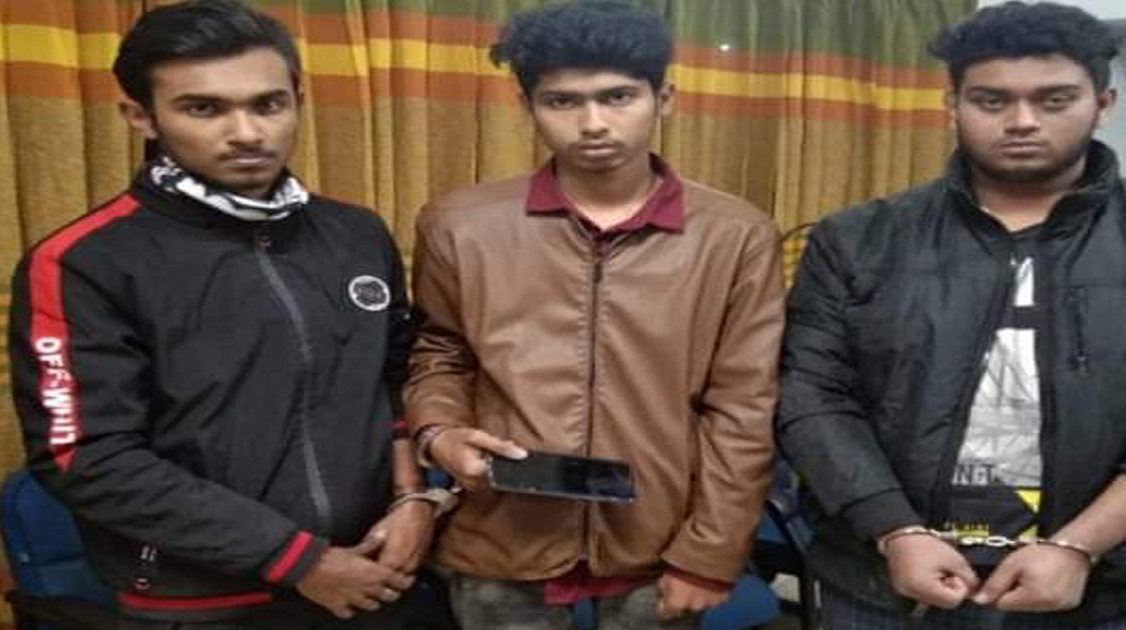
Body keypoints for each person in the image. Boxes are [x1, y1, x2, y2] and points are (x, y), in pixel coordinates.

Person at [8, 1, 447, 627]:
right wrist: (298, 560)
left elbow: (391, 381)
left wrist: (414, 499)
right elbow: (85, 456)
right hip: (203, 602)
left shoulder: (356, 233)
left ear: (298, 99)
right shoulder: (83, 261)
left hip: (377, 573)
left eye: (268, 104)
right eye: (204, 108)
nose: (247, 133)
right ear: (141, 116)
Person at [777, 2, 1126, 629]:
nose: (1022, 121)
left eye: (1054, 100)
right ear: (952, 105)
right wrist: (893, 529)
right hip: (881, 581)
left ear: (1103, 103)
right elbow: (810, 394)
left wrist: (1079, 545)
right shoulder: (859, 238)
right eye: (992, 100)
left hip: (1104, 588)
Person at [403, 2, 785, 629]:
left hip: (659, 536)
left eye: (617, 97)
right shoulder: (460, 224)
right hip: (502, 530)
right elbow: (441, 352)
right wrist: (439, 431)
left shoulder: (735, 235)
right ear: (527, 105)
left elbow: (743, 404)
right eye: (562, 101)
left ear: (664, 98)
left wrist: (710, 553)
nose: (593, 123)